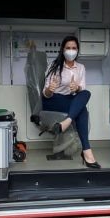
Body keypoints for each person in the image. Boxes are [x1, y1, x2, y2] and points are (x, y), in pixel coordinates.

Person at [42, 36, 100, 169]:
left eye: (74, 48)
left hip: (69, 100)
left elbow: (82, 89)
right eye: (68, 48)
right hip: (53, 100)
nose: (71, 51)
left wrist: (77, 88)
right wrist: (50, 89)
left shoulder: (81, 68)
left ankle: (66, 122)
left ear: (77, 50)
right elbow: (45, 93)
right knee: (82, 110)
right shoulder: (54, 66)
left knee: (86, 93)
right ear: (63, 50)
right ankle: (87, 153)